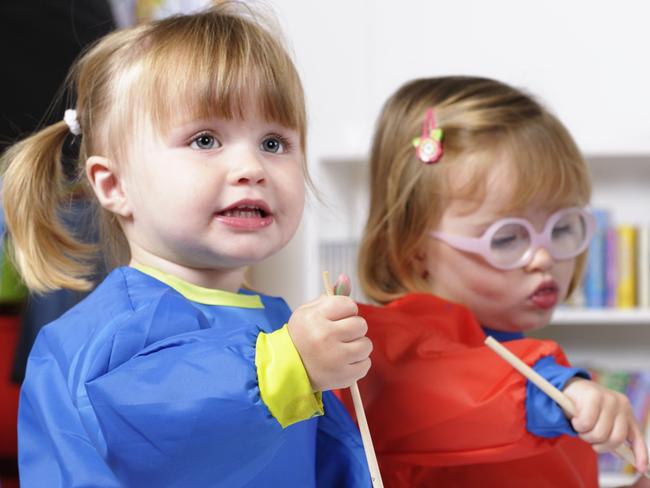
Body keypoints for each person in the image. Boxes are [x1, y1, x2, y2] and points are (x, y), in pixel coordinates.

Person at [1, 5, 373, 487]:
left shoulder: (275, 319)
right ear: (114, 185)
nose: (251, 167)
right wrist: (289, 365)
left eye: (274, 143)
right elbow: (155, 427)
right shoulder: (106, 333)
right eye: (204, 140)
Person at [341, 76, 649, 487]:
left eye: (561, 229)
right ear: (413, 248)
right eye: (505, 237)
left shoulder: (530, 363)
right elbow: (447, 385)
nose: (544, 258)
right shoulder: (382, 349)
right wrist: (555, 392)